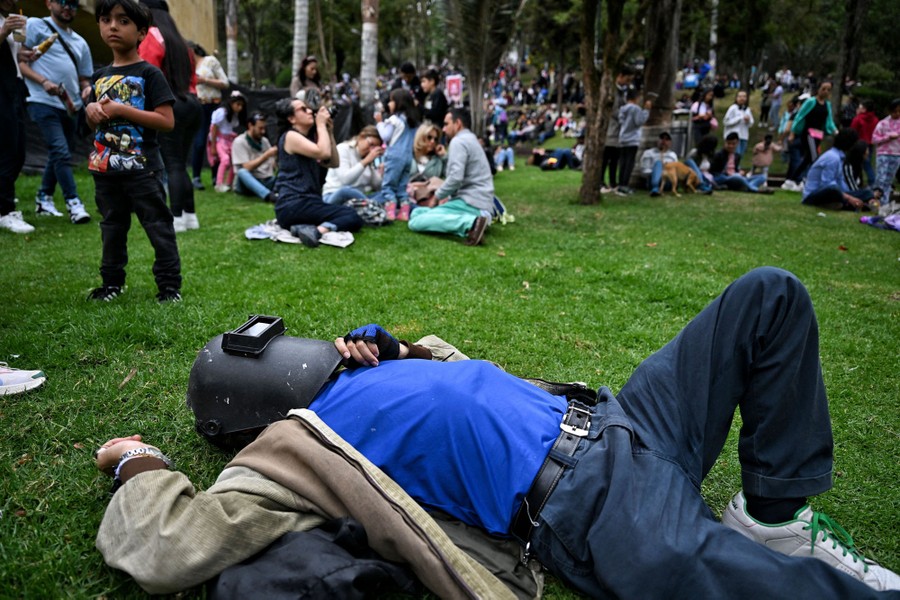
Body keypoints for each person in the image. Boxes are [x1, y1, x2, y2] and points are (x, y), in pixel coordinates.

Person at [94, 268, 900, 597]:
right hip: (590, 507)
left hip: (625, 418)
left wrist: (401, 352)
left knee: (768, 295)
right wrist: (137, 461)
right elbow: (172, 546)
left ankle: (772, 515)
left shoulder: (361, 366)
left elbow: (466, 379)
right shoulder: (283, 458)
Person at [84, 0, 181, 303]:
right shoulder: (98, 77)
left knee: (157, 225)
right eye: (106, 19)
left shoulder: (150, 74)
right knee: (112, 227)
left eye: (123, 20)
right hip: (105, 168)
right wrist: (90, 111)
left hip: (142, 168)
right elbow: (92, 124)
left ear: (141, 32)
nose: (113, 26)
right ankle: (111, 284)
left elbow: (166, 121)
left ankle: (169, 288)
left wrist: (121, 109)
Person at [18, 0, 92, 224]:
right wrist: (44, 81)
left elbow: (84, 78)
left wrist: (87, 89)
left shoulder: (80, 42)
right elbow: (20, 61)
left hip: (71, 105)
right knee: (60, 150)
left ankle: (44, 198)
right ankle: (74, 203)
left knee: (60, 153)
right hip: (41, 99)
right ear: (49, 3)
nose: (68, 7)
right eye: (62, 2)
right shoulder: (35, 25)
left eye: (73, 3)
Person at [138, 0, 202, 233]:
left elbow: (147, 74)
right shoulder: (181, 43)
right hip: (193, 104)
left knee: (173, 164)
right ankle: (190, 216)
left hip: (171, 105)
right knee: (180, 164)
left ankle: (176, 218)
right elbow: (193, 79)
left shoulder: (151, 36)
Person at [271, 97, 362, 248]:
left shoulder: (308, 140)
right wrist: (320, 124)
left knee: (347, 213)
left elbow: (333, 162)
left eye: (308, 108)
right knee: (350, 215)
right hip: (294, 203)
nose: (309, 111)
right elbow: (323, 153)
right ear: (291, 118)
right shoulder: (290, 136)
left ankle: (302, 228)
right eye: (303, 109)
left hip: (303, 205)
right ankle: (317, 231)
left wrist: (329, 132)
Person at [408, 108, 494, 246]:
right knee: (416, 213)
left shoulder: (458, 141)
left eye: (446, 124)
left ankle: (471, 224)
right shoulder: (471, 139)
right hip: (479, 205)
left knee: (414, 222)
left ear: (457, 123)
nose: (444, 129)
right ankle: (472, 223)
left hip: (471, 204)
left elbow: (455, 178)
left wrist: (437, 197)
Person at [0, 0, 34, 234]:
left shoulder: (8, 19)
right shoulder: (4, 24)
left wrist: (26, 54)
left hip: (15, 86)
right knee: (8, 150)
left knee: (18, 151)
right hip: (2, 89)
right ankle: (5, 211)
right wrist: (4, 31)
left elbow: (14, 55)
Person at [373, 87, 418, 221]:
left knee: (388, 186)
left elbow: (385, 136)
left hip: (394, 156)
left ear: (399, 103)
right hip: (408, 158)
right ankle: (404, 213)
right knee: (402, 187)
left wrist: (379, 123)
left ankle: (390, 212)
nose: (389, 104)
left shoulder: (394, 119)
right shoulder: (411, 121)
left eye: (391, 101)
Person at [189, 42, 228, 190]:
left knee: (215, 141)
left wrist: (204, 80)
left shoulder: (210, 61)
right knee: (199, 142)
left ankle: (215, 176)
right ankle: (196, 177)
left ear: (193, 50)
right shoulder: (188, 66)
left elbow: (225, 83)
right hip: (198, 106)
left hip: (213, 106)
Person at [801, 128, 870, 211]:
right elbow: (826, 185)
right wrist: (849, 198)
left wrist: (852, 196)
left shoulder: (840, 158)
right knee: (834, 190)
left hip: (833, 193)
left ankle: (851, 204)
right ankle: (842, 204)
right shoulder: (833, 158)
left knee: (867, 193)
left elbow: (841, 183)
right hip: (813, 196)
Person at [786, 81, 838, 189]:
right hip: (808, 133)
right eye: (823, 89)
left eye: (828, 90)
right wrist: (793, 132)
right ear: (818, 89)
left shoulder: (827, 105)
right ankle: (810, 179)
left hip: (818, 134)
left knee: (808, 158)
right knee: (814, 157)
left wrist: (834, 130)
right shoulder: (811, 102)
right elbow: (799, 116)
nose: (825, 92)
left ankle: (793, 179)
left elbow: (829, 120)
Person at [321, 125, 384, 205]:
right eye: (371, 144)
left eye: (375, 148)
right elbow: (345, 180)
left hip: (359, 199)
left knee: (385, 194)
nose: (371, 150)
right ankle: (371, 206)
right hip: (334, 195)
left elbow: (377, 186)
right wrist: (366, 161)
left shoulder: (367, 159)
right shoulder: (343, 149)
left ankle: (368, 205)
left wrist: (380, 172)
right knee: (346, 191)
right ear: (361, 137)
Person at [600, 66, 634, 193]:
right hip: (611, 129)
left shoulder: (625, 91)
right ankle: (600, 181)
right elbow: (614, 110)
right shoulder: (612, 91)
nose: (628, 83)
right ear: (620, 76)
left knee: (615, 158)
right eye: (627, 79)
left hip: (620, 131)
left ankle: (613, 182)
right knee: (606, 157)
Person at [231, 112, 278, 203]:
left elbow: (273, 165)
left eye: (264, 128)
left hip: (265, 179)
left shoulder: (264, 141)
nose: (263, 132)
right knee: (242, 172)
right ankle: (269, 196)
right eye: (260, 128)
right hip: (245, 183)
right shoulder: (239, 142)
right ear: (250, 126)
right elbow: (247, 167)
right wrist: (266, 155)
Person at [209, 90, 246, 193]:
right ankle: (219, 183)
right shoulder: (222, 112)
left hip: (229, 140)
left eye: (241, 105)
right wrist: (213, 145)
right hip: (220, 140)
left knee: (233, 160)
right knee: (225, 160)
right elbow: (214, 127)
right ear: (231, 103)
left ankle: (228, 183)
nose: (240, 108)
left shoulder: (233, 115)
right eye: (238, 104)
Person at [616, 89, 651, 195]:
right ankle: (625, 185)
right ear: (635, 98)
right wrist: (646, 110)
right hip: (632, 138)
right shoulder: (635, 108)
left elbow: (621, 121)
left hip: (623, 137)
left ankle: (621, 184)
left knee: (623, 162)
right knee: (629, 163)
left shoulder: (622, 109)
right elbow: (639, 121)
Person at [871, 99, 900, 215]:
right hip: (883, 154)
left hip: (896, 155)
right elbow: (874, 139)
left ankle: (885, 205)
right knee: (881, 179)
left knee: (889, 181)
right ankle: (876, 202)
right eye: (895, 111)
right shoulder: (883, 123)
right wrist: (888, 137)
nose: (897, 114)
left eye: (899, 111)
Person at [850, 99, 879, 187]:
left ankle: (871, 182)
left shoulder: (858, 119)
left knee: (859, 164)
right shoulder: (875, 119)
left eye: (860, 107)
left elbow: (853, 131)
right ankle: (864, 182)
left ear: (864, 109)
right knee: (867, 163)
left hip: (859, 144)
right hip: (870, 144)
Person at [723, 90, 754, 164]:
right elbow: (726, 122)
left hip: (744, 136)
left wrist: (748, 120)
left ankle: (736, 167)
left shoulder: (747, 109)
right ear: (736, 98)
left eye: (744, 96)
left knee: (740, 156)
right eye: (740, 96)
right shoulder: (733, 108)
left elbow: (751, 123)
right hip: (734, 136)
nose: (742, 98)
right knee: (735, 155)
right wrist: (739, 118)